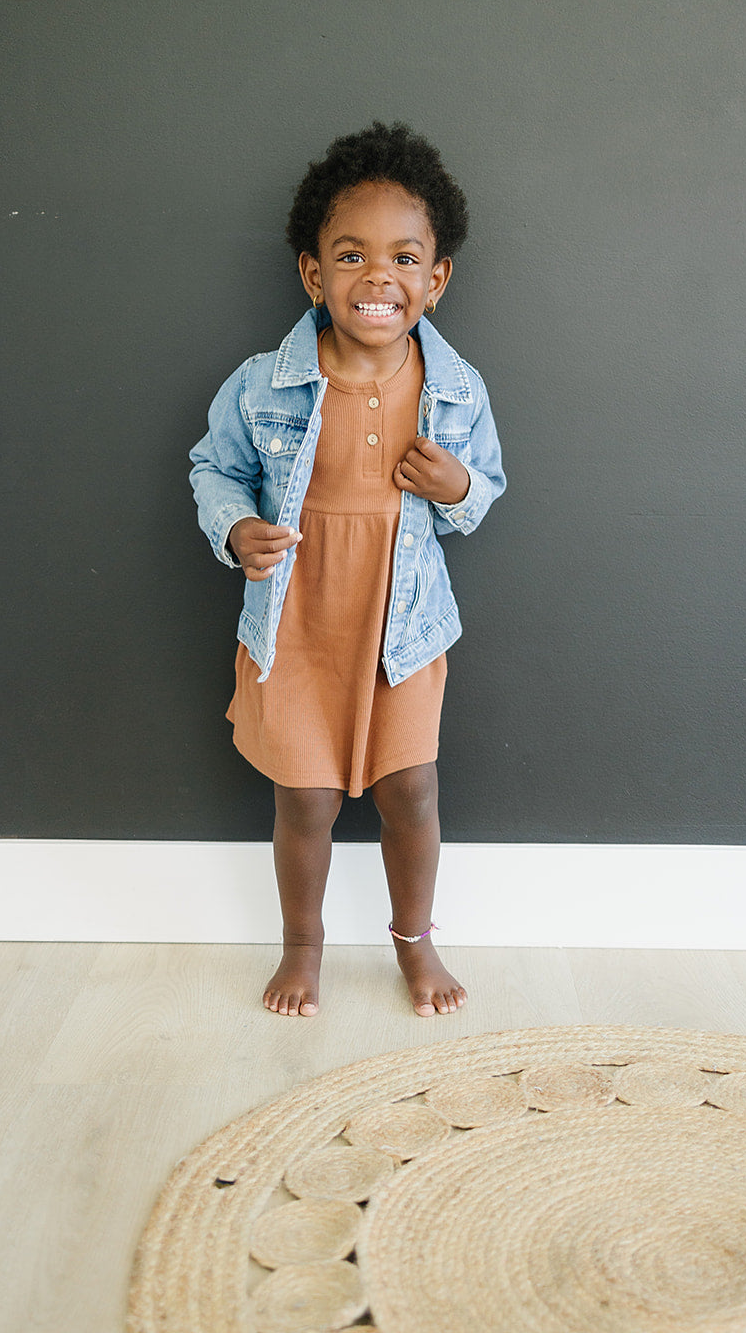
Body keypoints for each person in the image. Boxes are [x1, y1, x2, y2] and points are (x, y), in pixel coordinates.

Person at [190, 122, 505, 1017]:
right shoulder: (262, 383)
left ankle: (413, 940)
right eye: (351, 255)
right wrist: (236, 526)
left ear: (435, 281)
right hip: (296, 624)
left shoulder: (457, 390)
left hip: (400, 627)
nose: (378, 277)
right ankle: (303, 945)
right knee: (306, 801)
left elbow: (483, 491)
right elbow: (214, 469)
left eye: (404, 258)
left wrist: (455, 486)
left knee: (412, 791)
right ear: (312, 274)